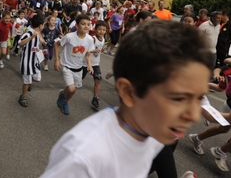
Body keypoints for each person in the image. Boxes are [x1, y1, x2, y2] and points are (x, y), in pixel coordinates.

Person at [41, 20, 214, 177]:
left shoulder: (152, 133)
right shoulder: (83, 158)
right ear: (129, 93)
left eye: (198, 98)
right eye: (178, 98)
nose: (193, 116)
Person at [54, 14, 95, 115]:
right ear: (77, 26)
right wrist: (56, 61)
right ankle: (64, 96)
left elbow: (88, 54)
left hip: (79, 68)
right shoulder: (69, 37)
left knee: (73, 90)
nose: (86, 26)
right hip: (67, 66)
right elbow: (57, 44)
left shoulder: (89, 39)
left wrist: (89, 65)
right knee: (71, 89)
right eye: (83, 24)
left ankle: (65, 101)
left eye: (88, 24)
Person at [17, 11, 46, 107]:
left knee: (37, 79)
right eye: (43, 24)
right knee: (27, 81)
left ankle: (28, 85)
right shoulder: (30, 33)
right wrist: (30, 37)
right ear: (40, 25)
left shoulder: (37, 33)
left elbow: (34, 47)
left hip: (34, 61)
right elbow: (20, 43)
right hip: (26, 62)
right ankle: (23, 96)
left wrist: (41, 51)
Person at [82, 20, 107, 110]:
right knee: (78, 80)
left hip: (96, 64)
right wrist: (93, 50)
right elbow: (85, 51)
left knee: (98, 80)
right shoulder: (92, 39)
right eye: (99, 29)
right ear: (95, 29)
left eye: (104, 30)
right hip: (86, 63)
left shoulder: (104, 39)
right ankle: (67, 91)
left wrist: (102, 50)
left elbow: (101, 48)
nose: (101, 31)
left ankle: (95, 98)